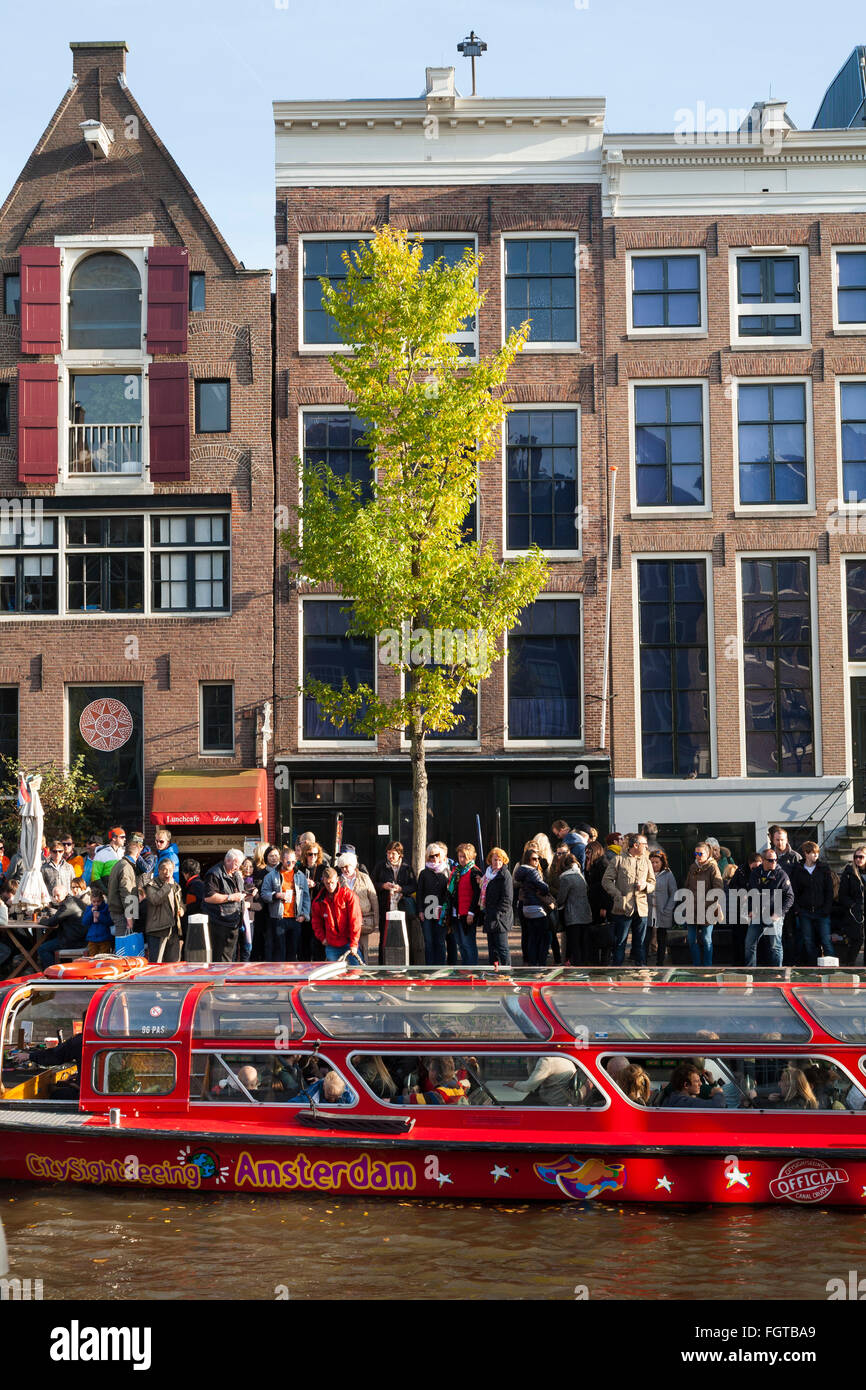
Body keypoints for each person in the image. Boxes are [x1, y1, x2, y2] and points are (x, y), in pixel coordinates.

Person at [602, 833, 655, 966]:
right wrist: (618, 895)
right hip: (623, 908)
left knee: (641, 943)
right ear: (635, 845)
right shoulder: (618, 859)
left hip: (641, 908)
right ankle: (616, 971)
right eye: (644, 844)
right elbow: (606, 880)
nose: (647, 846)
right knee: (620, 942)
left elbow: (653, 883)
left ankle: (641, 971)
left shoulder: (647, 861)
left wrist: (645, 886)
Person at [745, 848, 794, 968]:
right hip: (758, 915)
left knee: (775, 946)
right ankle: (750, 971)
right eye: (770, 860)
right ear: (763, 860)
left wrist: (779, 913)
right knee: (749, 944)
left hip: (773, 914)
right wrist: (750, 909)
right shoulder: (755, 873)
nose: (774, 862)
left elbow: (790, 897)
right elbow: (750, 893)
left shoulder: (781, 875)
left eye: (775, 860)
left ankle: (777, 973)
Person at [261, 845, 310, 961]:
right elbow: (264, 894)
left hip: (295, 918)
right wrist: (276, 895)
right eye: (289, 862)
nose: (291, 864)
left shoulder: (300, 876)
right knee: (279, 952)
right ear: (282, 860)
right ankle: (280, 977)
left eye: (294, 861)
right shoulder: (271, 876)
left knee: (293, 953)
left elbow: (306, 897)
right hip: (279, 918)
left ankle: (292, 977)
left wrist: (304, 915)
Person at [372, 841, 419, 961]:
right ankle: (383, 965)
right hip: (385, 907)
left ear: (400, 854)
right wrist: (383, 886)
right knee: (384, 936)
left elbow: (414, 886)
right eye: (388, 853)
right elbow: (372, 884)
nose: (390, 856)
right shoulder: (380, 866)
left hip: (403, 908)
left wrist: (401, 889)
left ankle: (406, 963)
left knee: (405, 936)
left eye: (393, 853)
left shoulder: (407, 868)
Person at [790, 841, 834, 965]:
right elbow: (794, 891)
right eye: (812, 853)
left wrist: (826, 908)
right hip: (805, 912)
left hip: (822, 911)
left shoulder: (823, 869)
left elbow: (829, 890)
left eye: (817, 853)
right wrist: (798, 909)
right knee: (808, 941)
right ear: (806, 854)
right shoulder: (798, 870)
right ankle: (813, 967)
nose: (815, 855)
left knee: (826, 940)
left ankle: (832, 969)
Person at [682, 842, 724, 966]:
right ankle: (696, 966)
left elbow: (718, 889)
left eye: (701, 853)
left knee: (707, 939)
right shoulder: (693, 867)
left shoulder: (712, 867)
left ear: (708, 854)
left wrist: (706, 904)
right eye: (696, 853)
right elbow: (687, 885)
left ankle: (707, 966)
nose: (698, 856)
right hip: (692, 909)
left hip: (707, 909)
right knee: (691, 940)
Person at [513, 848, 556, 966]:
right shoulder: (532, 872)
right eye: (534, 859)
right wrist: (545, 886)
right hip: (537, 907)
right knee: (545, 936)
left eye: (538, 859)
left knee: (532, 936)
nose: (537, 861)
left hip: (526, 907)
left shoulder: (521, 872)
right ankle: (541, 962)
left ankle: (532, 962)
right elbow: (544, 887)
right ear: (528, 860)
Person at [311, 865, 363, 962]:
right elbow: (316, 922)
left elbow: (355, 920)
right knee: (335, 975)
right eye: (327, 883)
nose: (330, 886)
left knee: (356, 971)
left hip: (348, 942)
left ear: (337, 880)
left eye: (332, 883)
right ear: (323, 882)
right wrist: (322, 938)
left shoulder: (348, 896)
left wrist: (354, 943)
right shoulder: (318, 901)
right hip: (331, 944)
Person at [203, 849, 247, 963]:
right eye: (236, 864)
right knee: (220, 957)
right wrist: (230, 897)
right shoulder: (214, 873)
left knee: (230, 956)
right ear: (228, 860)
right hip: (219, 921)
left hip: (234, 921)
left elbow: (239, 891)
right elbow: (208, 897)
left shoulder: (236, 874)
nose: (238, 867)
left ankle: (227, 978)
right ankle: (219, 979)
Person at [36, 876, 88, 970]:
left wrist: (41, 920)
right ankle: (60, 970)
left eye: (58, 895)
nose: (56, 898)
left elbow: (52, 922)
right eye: (54, 896)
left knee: (42, 949)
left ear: (65, 893)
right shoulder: (73, 900)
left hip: (74, 941)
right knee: (49, 940)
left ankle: (53, 973)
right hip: (79, 937)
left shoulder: (67, 905)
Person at [444, 843, 483, 966]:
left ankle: (472, 970)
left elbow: (476, 895)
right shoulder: (456, 871)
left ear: (471, 857)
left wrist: (472, 912)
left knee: (468, 944)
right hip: (455, 912)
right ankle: (466, 969)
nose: (461, 859)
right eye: (460, 856)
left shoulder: (474, 872)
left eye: (464, 857)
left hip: (467, 913)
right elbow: (451, 892)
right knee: (460, 944)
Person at [338, 850, 379, 963]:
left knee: (364, 948)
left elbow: (373, 898)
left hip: (364, 919)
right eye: (342, 867)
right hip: (346, 921)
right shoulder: (338, 881)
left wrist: (376, 920)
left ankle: (363, 971)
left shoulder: (364, 877)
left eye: (347, 866)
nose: (345, 870)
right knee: (348, 948)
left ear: (353, 865)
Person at [144, 856, 184, 963]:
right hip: (157, 930)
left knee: (173, 962)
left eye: (170, 870)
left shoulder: (176, 886)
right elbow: (155, 900)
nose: (167, 873)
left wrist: (182, 909)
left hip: (173, 929)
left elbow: (181, 903)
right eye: (165, 870)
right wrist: (167, 886)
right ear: (159, 870)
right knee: (156, 962)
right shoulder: (151, 885)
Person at [107, 833, 145, 941]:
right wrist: (130, 917)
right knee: (124, 947)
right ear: (137, 854)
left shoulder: (119, 864)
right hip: (122, 914)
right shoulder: (127, 867)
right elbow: (126, 892)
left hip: (118, 911)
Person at [417, 842, 450, 965]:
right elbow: (419, 892)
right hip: (427, 911)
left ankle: (440, 967)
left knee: (440, 941)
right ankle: (429, 967)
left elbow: (449, 892)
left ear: (441, 856)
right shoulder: (424, 873)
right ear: (427, 857)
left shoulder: (446, 871)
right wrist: (420, 910)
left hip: (442, 910)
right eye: (431, 856)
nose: (434, 858)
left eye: (436, 855)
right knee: (429, 941)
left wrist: (447, 910)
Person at [725, 852, 761, 963]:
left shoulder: (764, 871)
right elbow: (732, 887)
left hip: (757, 910)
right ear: (749, 864)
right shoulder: (740, 872)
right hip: (740, 911)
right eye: (753, 867)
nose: (756, 870)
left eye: (758, 867)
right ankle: (740, 963)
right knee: (740, 939)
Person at [556, 852, 592, 965]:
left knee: (574, 943)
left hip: (573, 915)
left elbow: (561, 898)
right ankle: (585, 965)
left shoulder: (566, 878)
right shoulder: (580, 875)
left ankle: (577, 966)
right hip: (585, 913)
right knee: (584, 943)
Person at [479, 847, 513, 966]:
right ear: (490, 860)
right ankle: (494, 971)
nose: (497, 863)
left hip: (500, 918)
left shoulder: (505, 875)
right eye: (495, 860)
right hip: (490, 915)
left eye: (500, 860)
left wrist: (497, 914)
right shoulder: (487, 875)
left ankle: (506, 972)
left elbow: (507, 899)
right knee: (492, 948)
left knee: (502, 947)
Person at [506, 1055, 580, 1106]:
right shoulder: (561, 1056)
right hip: (563, 1100)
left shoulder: (547, 1061)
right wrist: (530, 1059)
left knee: (514, 1106)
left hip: (553, 1103)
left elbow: (528, 1087)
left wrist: (513, 1084)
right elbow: (532, 1076)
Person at [836, 847, 866, 966]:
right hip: (856, 911)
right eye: (856, 857)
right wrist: (853, 905)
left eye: (861, 857)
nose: (858, 859)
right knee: (857, 939)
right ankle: (849, 964)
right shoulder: (849, 872)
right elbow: (842, 894)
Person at [648, 850, 677, 966]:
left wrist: (668, 909)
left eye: (656, 862)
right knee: (646, 938)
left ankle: (660, 962)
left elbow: (673, 892)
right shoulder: (646, 873)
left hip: (663, 911)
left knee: (661, 938)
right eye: (652, 862)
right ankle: (643, 962)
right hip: (649, 911)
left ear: (662, 862)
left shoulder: (668, 874)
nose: (654, 865)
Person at [661, 1062, 727, 1108]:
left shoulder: (676, 1097)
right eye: (697, 1081)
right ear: (686, 1085)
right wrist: (719, 1092)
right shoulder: (685, 1102)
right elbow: (719, 1106)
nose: (700, 1084)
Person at [82, 883, 113, 956]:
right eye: (94, 902)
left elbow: (110, 921)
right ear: (91, 901)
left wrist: (100, 916)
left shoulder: (106, 908)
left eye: (98, 901)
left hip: (104, 938)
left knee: (104, 958)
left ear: (102, 900)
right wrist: (91, 913)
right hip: (92, 939)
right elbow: (84, 922)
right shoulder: (89, 908)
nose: (96, 904)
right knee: (93, 958)